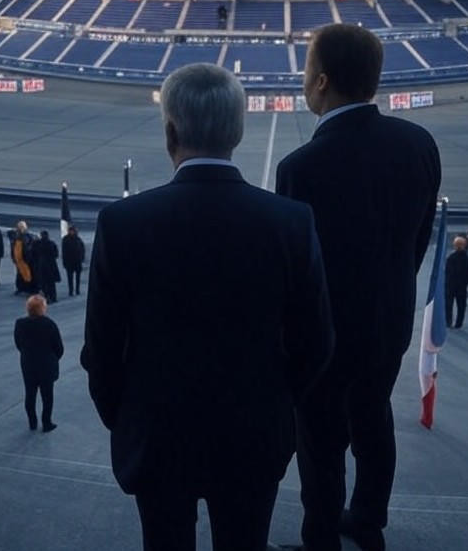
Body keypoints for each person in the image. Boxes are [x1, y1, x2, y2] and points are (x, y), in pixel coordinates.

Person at [82, 63, 333, 551]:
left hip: (156, 436)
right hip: (252, 435)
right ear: (238, 131)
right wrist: (275, 402)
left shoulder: (122, 223)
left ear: (170, 130)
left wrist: (129, 417)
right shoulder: (291, 222)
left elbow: (102, 351)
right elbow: (317, 342)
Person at [275, 23, 441, 551]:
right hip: (389, 318)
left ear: (321, 82)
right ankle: (368, 522)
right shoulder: (419, 144)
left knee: (319, 442)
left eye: (305, 68)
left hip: (326, 333)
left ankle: (320, 537)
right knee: (374, 418)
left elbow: (297, 270)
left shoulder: (301, 167)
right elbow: (416, 241)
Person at [14, 294, 63, 432]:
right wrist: (53, 358)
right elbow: (59, 347)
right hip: (46, 366)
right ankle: (46, 422)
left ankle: (32, 422)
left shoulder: (20, 324)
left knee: (30, 394)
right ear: (42, 308)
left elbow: (18, 343)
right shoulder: (50, 324)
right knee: (47, 396)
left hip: (28, 364)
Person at [445, 236, 468, 329]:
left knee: (449, 304)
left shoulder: (451, 257)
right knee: (461, 306)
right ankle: (459, 323)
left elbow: (447, 272)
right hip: (461, 286)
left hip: (451, 285)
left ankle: (448, 321)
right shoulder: (466, 258)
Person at [9, 220, 36, 295]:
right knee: (20, 275)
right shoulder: (16, 238)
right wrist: (13, 258)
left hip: (26, 260)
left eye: (22, 227)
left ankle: (30, 289)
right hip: (19, 260)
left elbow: (30, 248)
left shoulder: (28, 237)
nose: (20, 229)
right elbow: (13, 248)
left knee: (28, 275)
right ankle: (21, 288)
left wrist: (29, 258)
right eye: (19, 227)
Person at [35, 230, 60, 303]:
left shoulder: (38, 244)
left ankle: (46, 297)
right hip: (51, 266)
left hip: (42, 266)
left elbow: (34, 254)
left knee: (44, 284)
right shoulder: (51, 244)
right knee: (51, 284)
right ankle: (53, 297)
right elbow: (56, 254)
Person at [61, 224, 86, 296]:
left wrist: (82, 258)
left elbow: (82, 249)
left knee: (78, 277)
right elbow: (64, 251)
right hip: (69, 262)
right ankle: (71, 291)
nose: (72, 232)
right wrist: (64, 262)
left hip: (77, 261)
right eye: (70, 231)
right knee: (70, 278)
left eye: (73, 231)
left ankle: (77, 290)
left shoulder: (78, 239)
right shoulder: (65, 239)